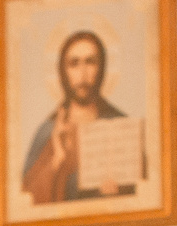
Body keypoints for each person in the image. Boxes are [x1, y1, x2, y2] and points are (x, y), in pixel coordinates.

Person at [21, 29, 140, 204]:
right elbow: (25, 199)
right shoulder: (47, 131)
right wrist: (57, 159)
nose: (82, 74)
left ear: (101, 68)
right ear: (63, 70)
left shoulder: (121, 126)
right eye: (74, 64)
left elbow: (143, 194)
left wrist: (120, 193)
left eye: (90, 62)